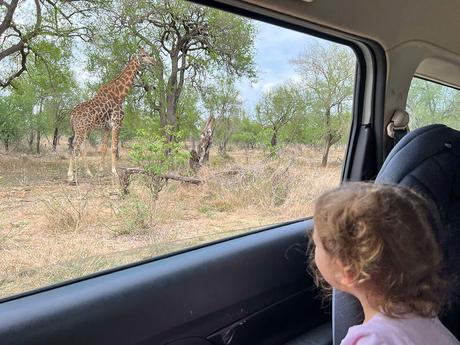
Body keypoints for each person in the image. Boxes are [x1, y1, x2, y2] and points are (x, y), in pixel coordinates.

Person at [310, 182, 459, 345]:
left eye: (316, 244)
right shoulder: (427, 318)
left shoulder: (373, 340)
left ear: (348, 271)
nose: (312, 249)